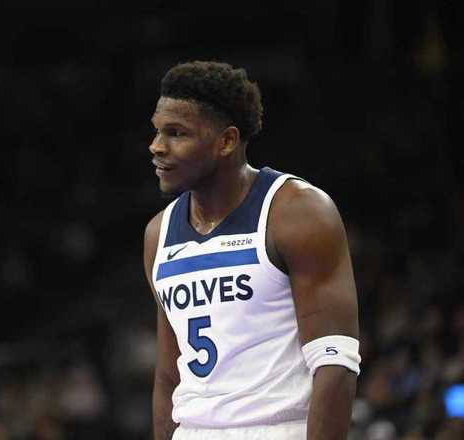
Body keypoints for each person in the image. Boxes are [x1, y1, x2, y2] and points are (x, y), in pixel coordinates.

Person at [142, 60, 361, 440]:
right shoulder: (158, 233)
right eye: (157, 131)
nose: (157, 147)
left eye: (176, 133)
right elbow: (168, 377)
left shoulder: (297, 211)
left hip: (278, 428)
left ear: (226, 141)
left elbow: (335, 364)